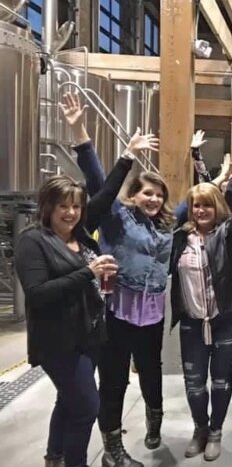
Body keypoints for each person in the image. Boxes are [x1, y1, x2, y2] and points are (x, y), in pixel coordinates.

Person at [14, 145, 138, 467]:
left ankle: (54, 457)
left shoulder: (80, 233)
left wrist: (126, 157)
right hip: (59, 342)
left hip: (89, 335)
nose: (70, 212)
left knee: (67, 401)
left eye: (75, 207)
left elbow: (107, 193)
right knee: (85, 407)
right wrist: (88, 273)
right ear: (47, 207)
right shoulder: (33, 240)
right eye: (62, 207)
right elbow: (38, 293)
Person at [75, 133, 171, 467]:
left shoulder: (166, 228)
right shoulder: (117, 218)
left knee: (151, 372)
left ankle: (154, 419)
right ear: (133, 195)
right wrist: (89, 143)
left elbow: (198, 203)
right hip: (117, 312)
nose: (154, 199)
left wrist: (219, 176)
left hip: (152, 315)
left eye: (159, 195)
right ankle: (112, 449)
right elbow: (98, 181)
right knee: (114, 381)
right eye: (148, 193)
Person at [169, 158, 232, 461]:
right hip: (193, 323)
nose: (201, 211)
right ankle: (199, 429)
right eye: (196, 206)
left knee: (220, 381)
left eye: (207, 205)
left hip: (226, 320)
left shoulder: (227, 234)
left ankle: (216, 431)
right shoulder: (180, 238)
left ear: (217, 206)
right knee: (194, 384)